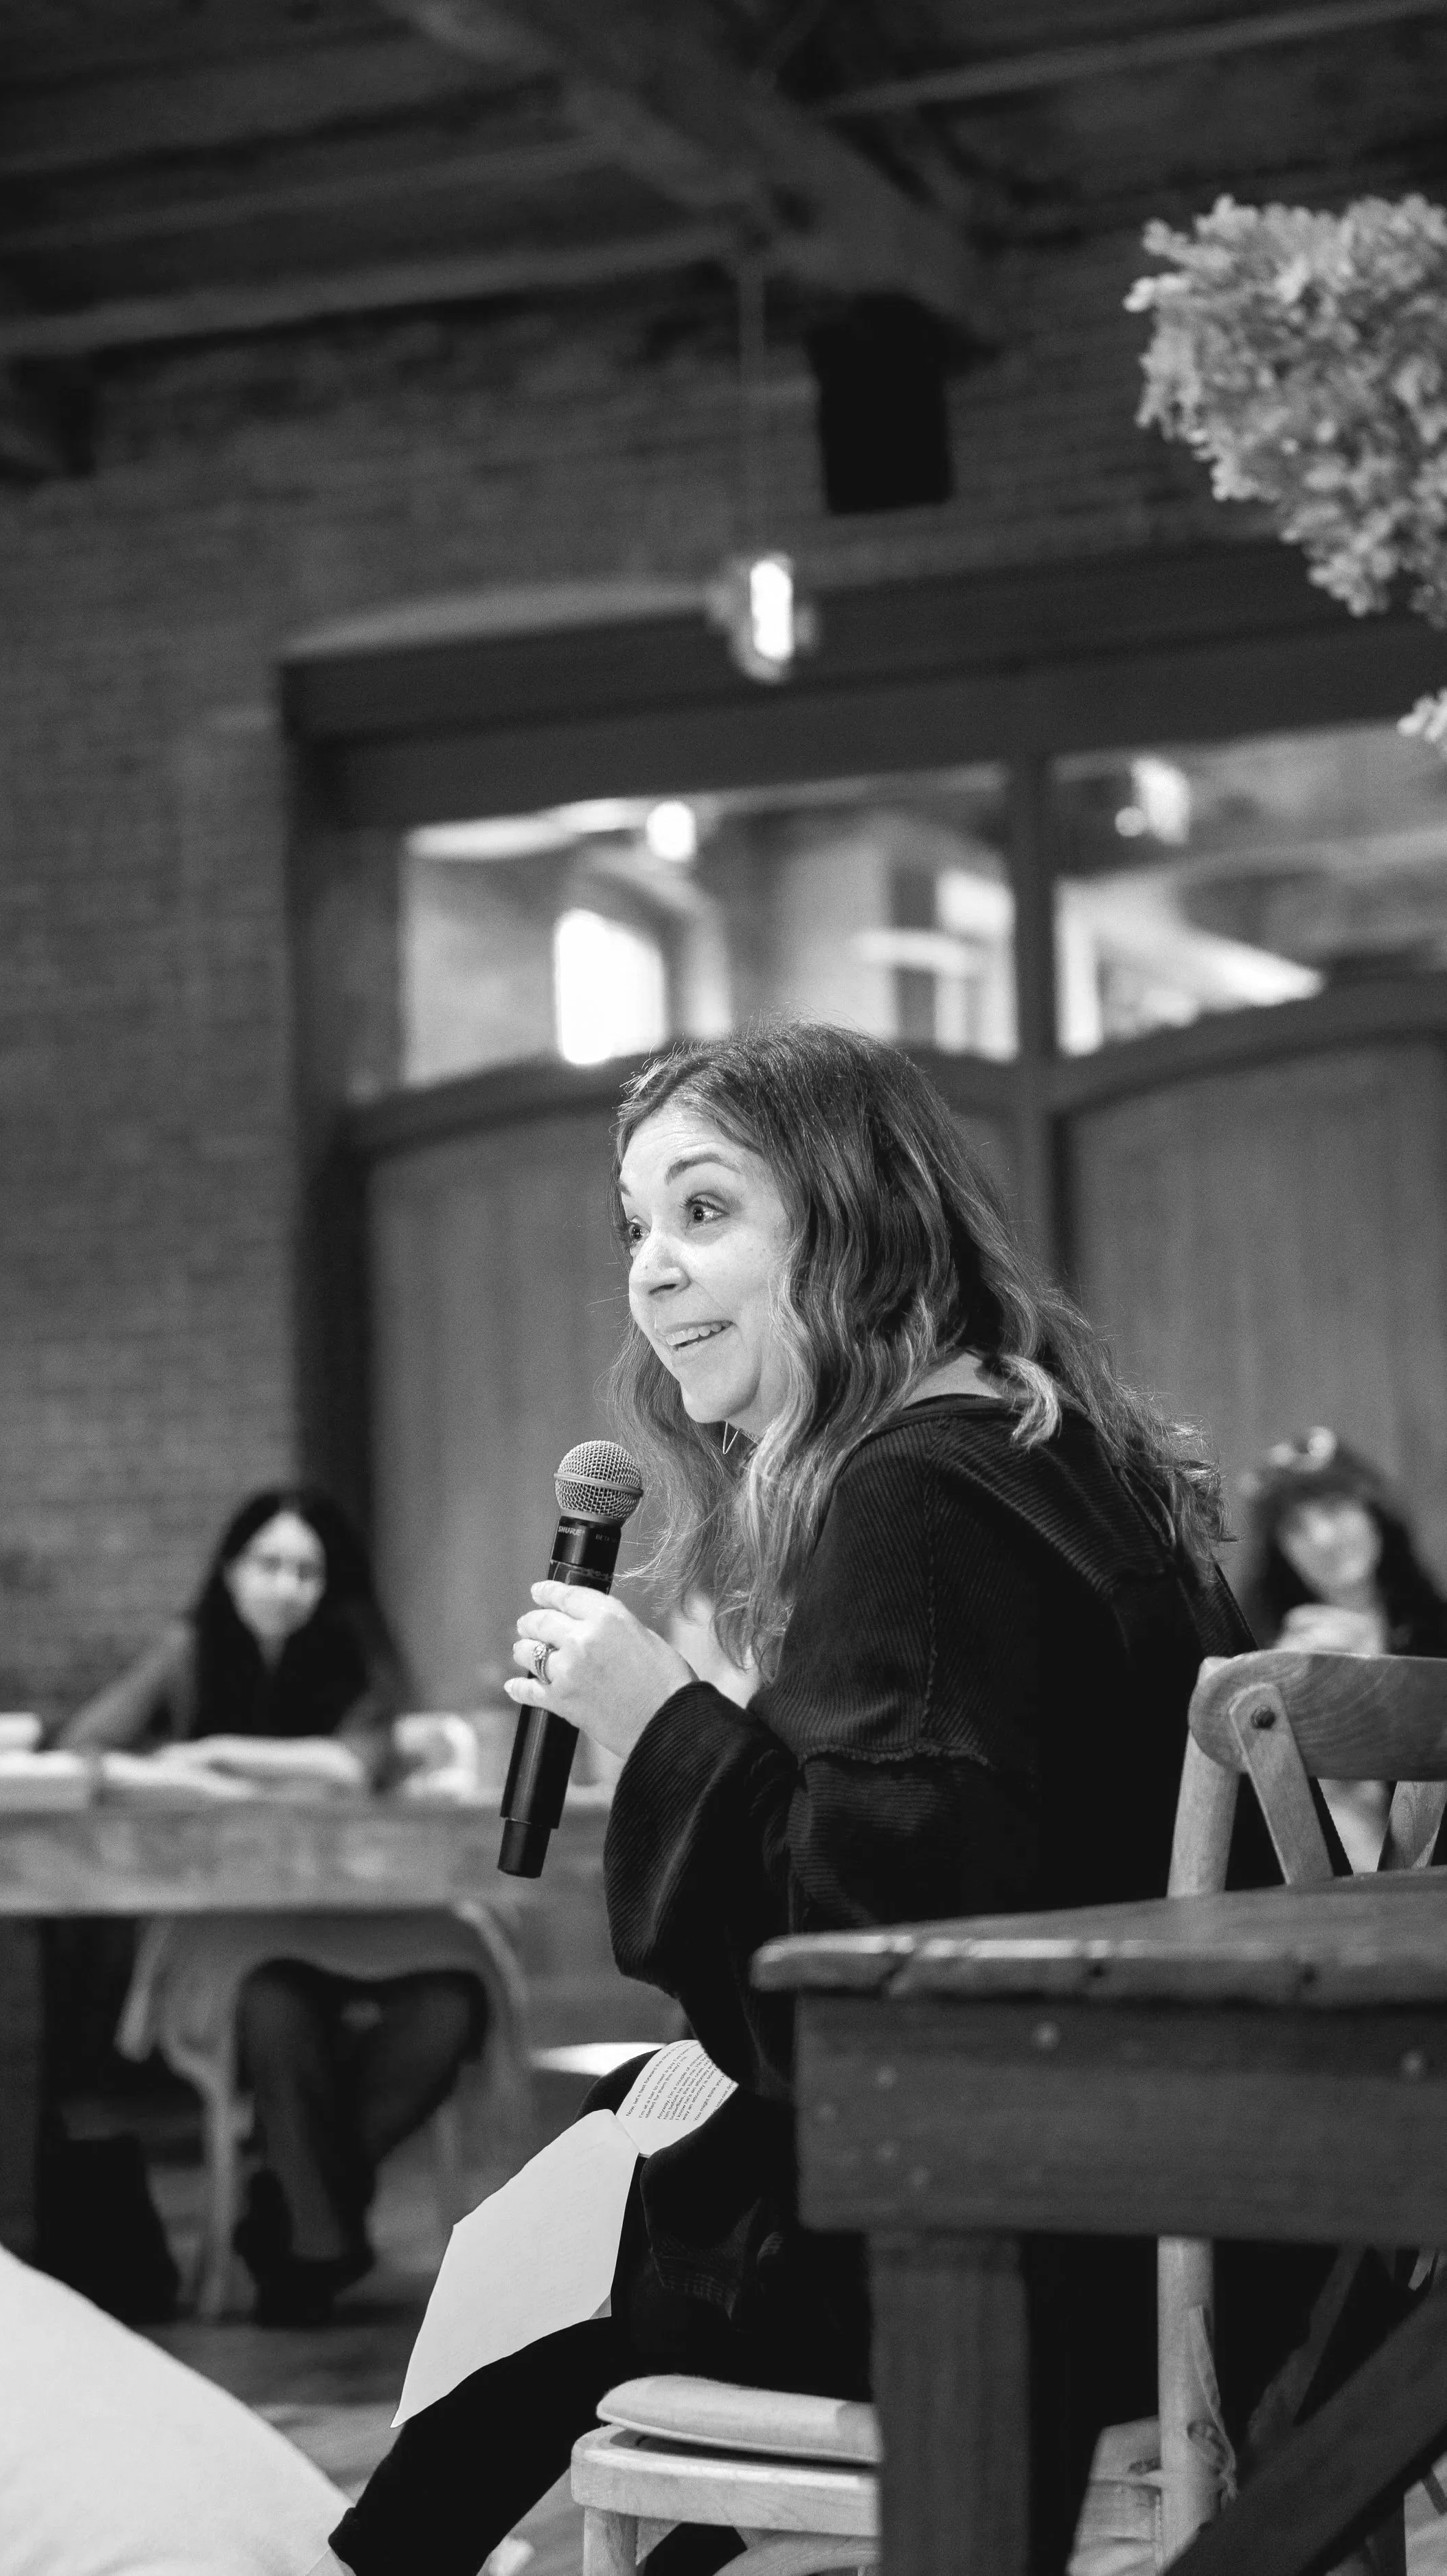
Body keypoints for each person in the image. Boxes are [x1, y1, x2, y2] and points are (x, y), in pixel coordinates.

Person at [324, 1023, 1267, 2576]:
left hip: (1003, 2252)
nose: (649, 1268)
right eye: (635, 1225)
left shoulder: (915, 1497)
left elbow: (868, 1981)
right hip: (1184, 2211)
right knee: (610, 2150)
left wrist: (654, 1716)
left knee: (550, 2239)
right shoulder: (1056, 1450)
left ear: (856, 1219)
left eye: (704, 1211)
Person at [60, 1486, 490, 2325]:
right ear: (229, 1570)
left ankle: (283, 2206)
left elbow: (351, 1766)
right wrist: (183, 1776)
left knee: (451, 2006)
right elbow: (84, 1750)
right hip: (238, 1933)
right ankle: (316, 2249)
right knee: (273, 2005)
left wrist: (215, 1751)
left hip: (370, 1921)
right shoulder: (188, 1650)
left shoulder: (352, 1651)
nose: (287, 1585)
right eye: (269, 1564)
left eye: (307, 1570)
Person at [1238, 1426, 1447, 1868]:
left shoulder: (1437, 1627)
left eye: (1334, 1510)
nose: (1323, 1540)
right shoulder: (1278, 1654)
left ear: (1373, 1512)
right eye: (1296, 1528)